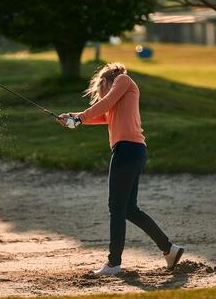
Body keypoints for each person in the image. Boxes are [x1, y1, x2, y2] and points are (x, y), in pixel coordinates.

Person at [58, 62, 183, 275]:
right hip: (132, 151)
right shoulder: (120, 96)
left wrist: (79, 118)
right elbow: (104, 115)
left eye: (101, 90)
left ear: (106, 82)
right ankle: (169, 249)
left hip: (126, 151)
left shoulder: (123, 80)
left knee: (116, 208)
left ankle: (114, 264)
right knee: (129, 209)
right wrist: (72, 116)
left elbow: (105, 104)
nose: (101, 95)